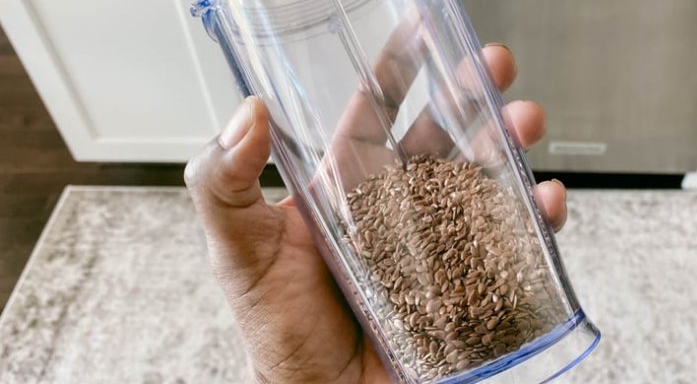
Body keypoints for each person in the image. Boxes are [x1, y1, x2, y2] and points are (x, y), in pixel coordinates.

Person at [184, 43, 568, 383]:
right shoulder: (355, 221)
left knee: (524, 211)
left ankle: (538, 315)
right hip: (385, 364)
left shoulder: (435, 193)